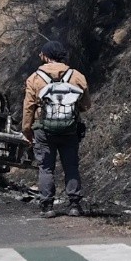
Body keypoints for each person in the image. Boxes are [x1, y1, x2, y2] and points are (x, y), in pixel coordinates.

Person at [22, 40, 91, 218]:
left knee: (46, 168)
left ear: (46, 56)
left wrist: (27, 131)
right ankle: (74, 205)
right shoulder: (77, 76)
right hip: (70, 129)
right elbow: (86, 105)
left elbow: (28, 108)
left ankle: (47, 207)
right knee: (71, 166)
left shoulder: (35, 78)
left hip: (43, 130)